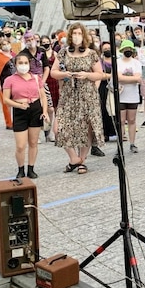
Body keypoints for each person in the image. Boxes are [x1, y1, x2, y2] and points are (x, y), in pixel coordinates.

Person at [50, 22, 105, 174]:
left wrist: (87, 75)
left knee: (85, 129)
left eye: (79, 33)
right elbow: (53, 72)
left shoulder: (91, 53)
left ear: (84, 36)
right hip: (68, 95)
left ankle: (82, 160)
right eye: (74, 33)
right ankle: (74, 158)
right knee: (59, 128)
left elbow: (99, 74)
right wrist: (64, 74)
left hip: (87, 94)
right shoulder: (63, 52)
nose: (76, 37)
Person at [3, 51, 49, 179]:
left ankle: (31, 168)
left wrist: (44, 112)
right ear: (16, 64)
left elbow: (43, 96)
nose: (23, 65)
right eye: (20, 63)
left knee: (33, 142)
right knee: (20, 145)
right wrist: (18, 105)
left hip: (35, 109)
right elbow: (6, 99)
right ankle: (20, 168)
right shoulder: (9, 80)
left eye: (25, 63)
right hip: (20, 110)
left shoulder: (36, 78)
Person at [115, 39, 143, 153]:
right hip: (121, 95)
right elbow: (119, 78)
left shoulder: (136, 63)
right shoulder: (117, 62)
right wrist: (133, 79)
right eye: (126, 49)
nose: (128, 51)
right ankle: (120, 144)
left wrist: (125, 79)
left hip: (133, 95)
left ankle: (132, 143)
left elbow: (138, 78)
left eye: (129, 49)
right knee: (121, 120)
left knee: (132, 120)